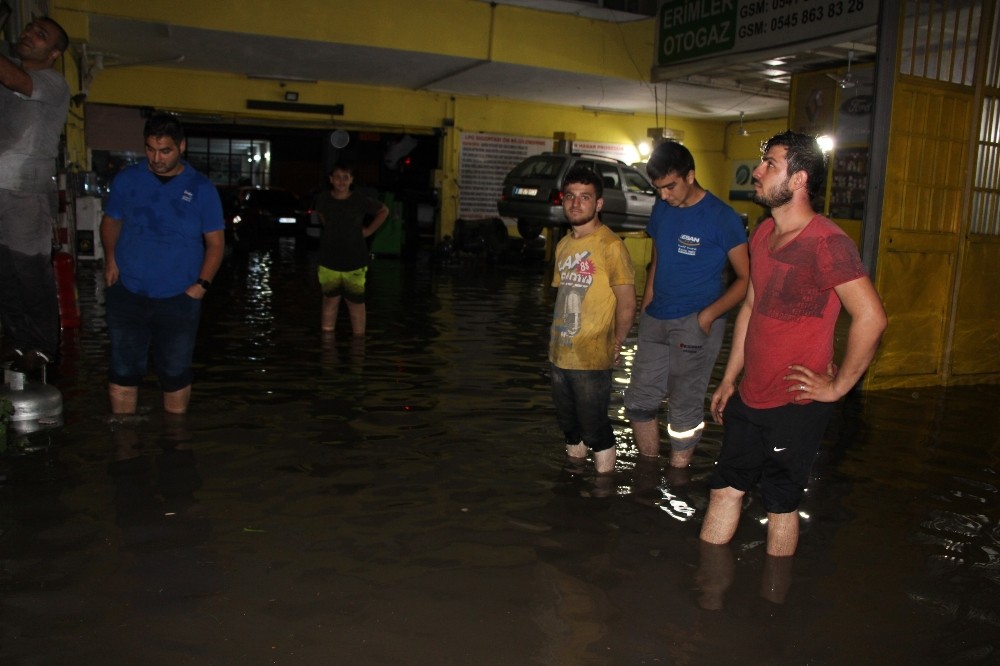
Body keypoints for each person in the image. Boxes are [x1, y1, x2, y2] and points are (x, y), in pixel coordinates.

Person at [700, 131, 887, 556]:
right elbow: (750, 305)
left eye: (771, 164)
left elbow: (872, 318)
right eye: (762, 162)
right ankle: (705, 597)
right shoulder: (763, 234)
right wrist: (730, 378)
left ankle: (773, 608)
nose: (759, 172)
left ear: (799, 179)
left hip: (796, 402)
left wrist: (838, 388)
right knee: (724, 489)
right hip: (751, 392)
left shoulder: (827, 242)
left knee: (780, 505)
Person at [623, 141, 750, 468]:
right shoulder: (662, 209)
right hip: (655, 316)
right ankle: (649, 472)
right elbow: (658, 255)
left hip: (695, 322)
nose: (664, 196)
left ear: (690, 176)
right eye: (658, 189)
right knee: (638, 402)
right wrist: (646, 302)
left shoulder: (723, 218)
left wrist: (706, 317)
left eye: (670, 187)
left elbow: (746, 279)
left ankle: (678, 481)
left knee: (683, 410)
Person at [100, 113, 225, 415]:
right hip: (128, 292)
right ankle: (124, 445)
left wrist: (201, 286)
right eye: (150, 149)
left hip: (179, 298)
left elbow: (216, 243)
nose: (156, 158)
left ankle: (175, 445)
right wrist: (110, 260)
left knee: (175, 374)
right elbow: (110, 221)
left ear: (181, 146)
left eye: (165, 150)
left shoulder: (201, 188)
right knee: (123, 372)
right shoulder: (128, 179)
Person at [550, 167, 636, 474]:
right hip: (560, 355)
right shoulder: (563, 245)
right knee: (570, 428)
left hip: (592, 357)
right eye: (570, 196)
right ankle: (573, 481)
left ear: (598, 203)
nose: (576, 203)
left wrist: (616, 342)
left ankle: (603, 493)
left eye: (585, 197)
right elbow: (564, 296)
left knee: (596, 429)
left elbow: (627, 303)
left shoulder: (611, 246)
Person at [0, 16, 70, 371]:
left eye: (40, 36)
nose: (28, 35)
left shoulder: (52, 82)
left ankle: (43, 346)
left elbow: (17, 80)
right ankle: (17, 341)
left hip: (26, 191)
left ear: (53, 53)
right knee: (5, 274)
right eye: (28, 29)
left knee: (29, 272)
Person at [314, 162, 389, 335]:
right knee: (329, 301)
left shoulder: (359, 200)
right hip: (328, 260)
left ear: (351, 180)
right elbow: (322, 216)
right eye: (338, 177)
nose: (341, 181)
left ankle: (358, 343)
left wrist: (369, 230)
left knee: (355, 303)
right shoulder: (323, 199)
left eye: (345, 177)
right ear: (331, 180)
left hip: (355, 260)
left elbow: (384, 210)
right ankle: (327, 342)